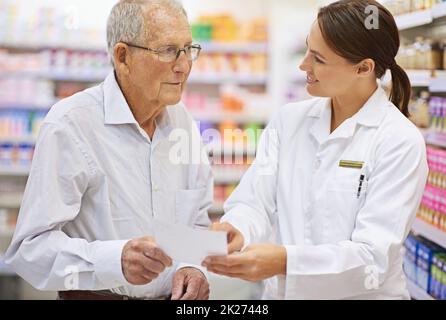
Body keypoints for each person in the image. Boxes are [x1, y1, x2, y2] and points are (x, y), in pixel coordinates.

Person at [203, 0, 428, 299]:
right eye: (308, 49)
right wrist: (237, 227)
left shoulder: (399, 141)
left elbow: (372, 257)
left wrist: (285, 261)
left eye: (318, 59)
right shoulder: (289, 121)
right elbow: (254, 200)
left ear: (364, 68)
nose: (303, 64)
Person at [5, 0, 212, 300]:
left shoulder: (184, 124)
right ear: (123, 56)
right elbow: (30, 249)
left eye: (188, 49)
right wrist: (113, 260)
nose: (183, 65)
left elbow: (197, 223)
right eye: (168, 51)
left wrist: (194, 267)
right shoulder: (71, 124)